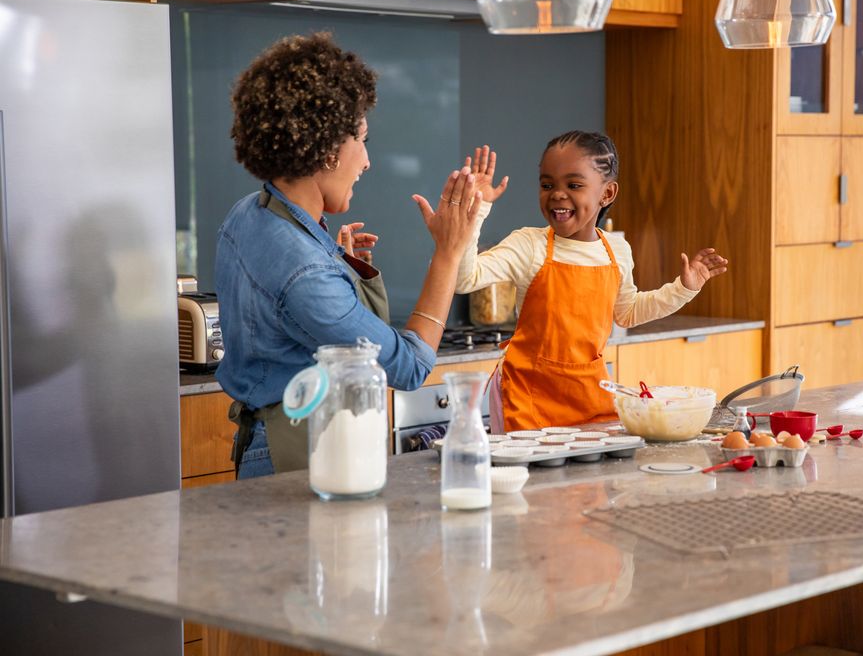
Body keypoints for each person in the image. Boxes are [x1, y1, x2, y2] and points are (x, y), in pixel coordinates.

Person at [216, 32, 481, 478]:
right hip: (302, 456)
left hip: (267, 452)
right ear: (327, 150)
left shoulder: (247, 215)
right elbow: (411, 365)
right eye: (362, 139)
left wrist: (338, 264)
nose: (366, 161)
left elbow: (284, 312)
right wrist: (448, 254)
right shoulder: (306, 274)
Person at [455, 131, 728, 433]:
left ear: (607, 194)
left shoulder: (617, 251)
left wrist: (683, 289)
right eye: (548, 185)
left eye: (573, 185)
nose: (557, 194)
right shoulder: (528, 245)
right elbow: (465, 279)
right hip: (527, 395)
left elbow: (628, 313)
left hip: (588, 394)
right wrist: (476, 212)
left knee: (589, 480)